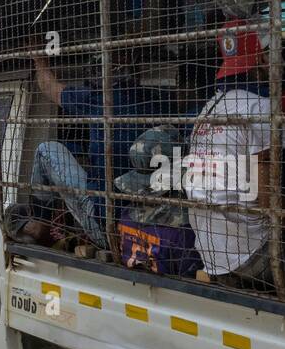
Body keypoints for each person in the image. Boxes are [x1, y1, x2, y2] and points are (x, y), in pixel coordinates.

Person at [25, 52, 185, 249]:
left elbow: (49, 87)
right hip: (152, 227)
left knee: (46, 150)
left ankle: (40, 224)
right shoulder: (159, 101)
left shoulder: (96, 100)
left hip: (106, 228)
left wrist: (39, 60)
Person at [184, 25, 285, 287]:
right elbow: (268, 201)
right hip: (250, 255)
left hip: (211, 253)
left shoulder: (208, 108)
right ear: (263, 59)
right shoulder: (261, 108)